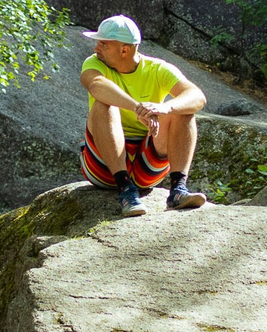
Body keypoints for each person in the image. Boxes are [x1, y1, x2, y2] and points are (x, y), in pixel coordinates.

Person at [79, 15, 209, 216]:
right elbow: (96, 85)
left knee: (184, 111)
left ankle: (178, 190)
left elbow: (197, 96)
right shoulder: (94, 63)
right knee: (104, 105)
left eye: (103, 44)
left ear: (125, 49)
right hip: (104, 167)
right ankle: (125, 191)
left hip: (146, 166)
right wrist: (137, 107)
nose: (96, 49)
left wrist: (165, 108)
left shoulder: (158, 69)